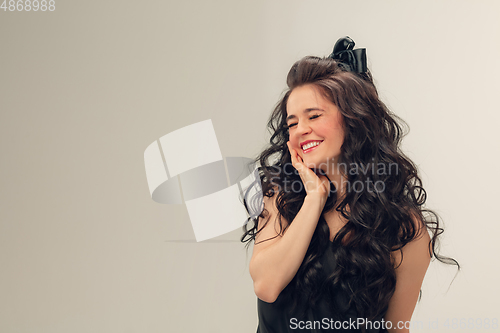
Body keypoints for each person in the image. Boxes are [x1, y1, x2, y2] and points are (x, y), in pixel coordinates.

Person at [241, 37, 459, 333]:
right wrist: (314, 198)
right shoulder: (280, 195)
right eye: (292, 123)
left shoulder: (402, 226)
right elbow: (267, 285)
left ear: (353, 119)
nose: (301, 129)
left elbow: (397, 329)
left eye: (314, 116)